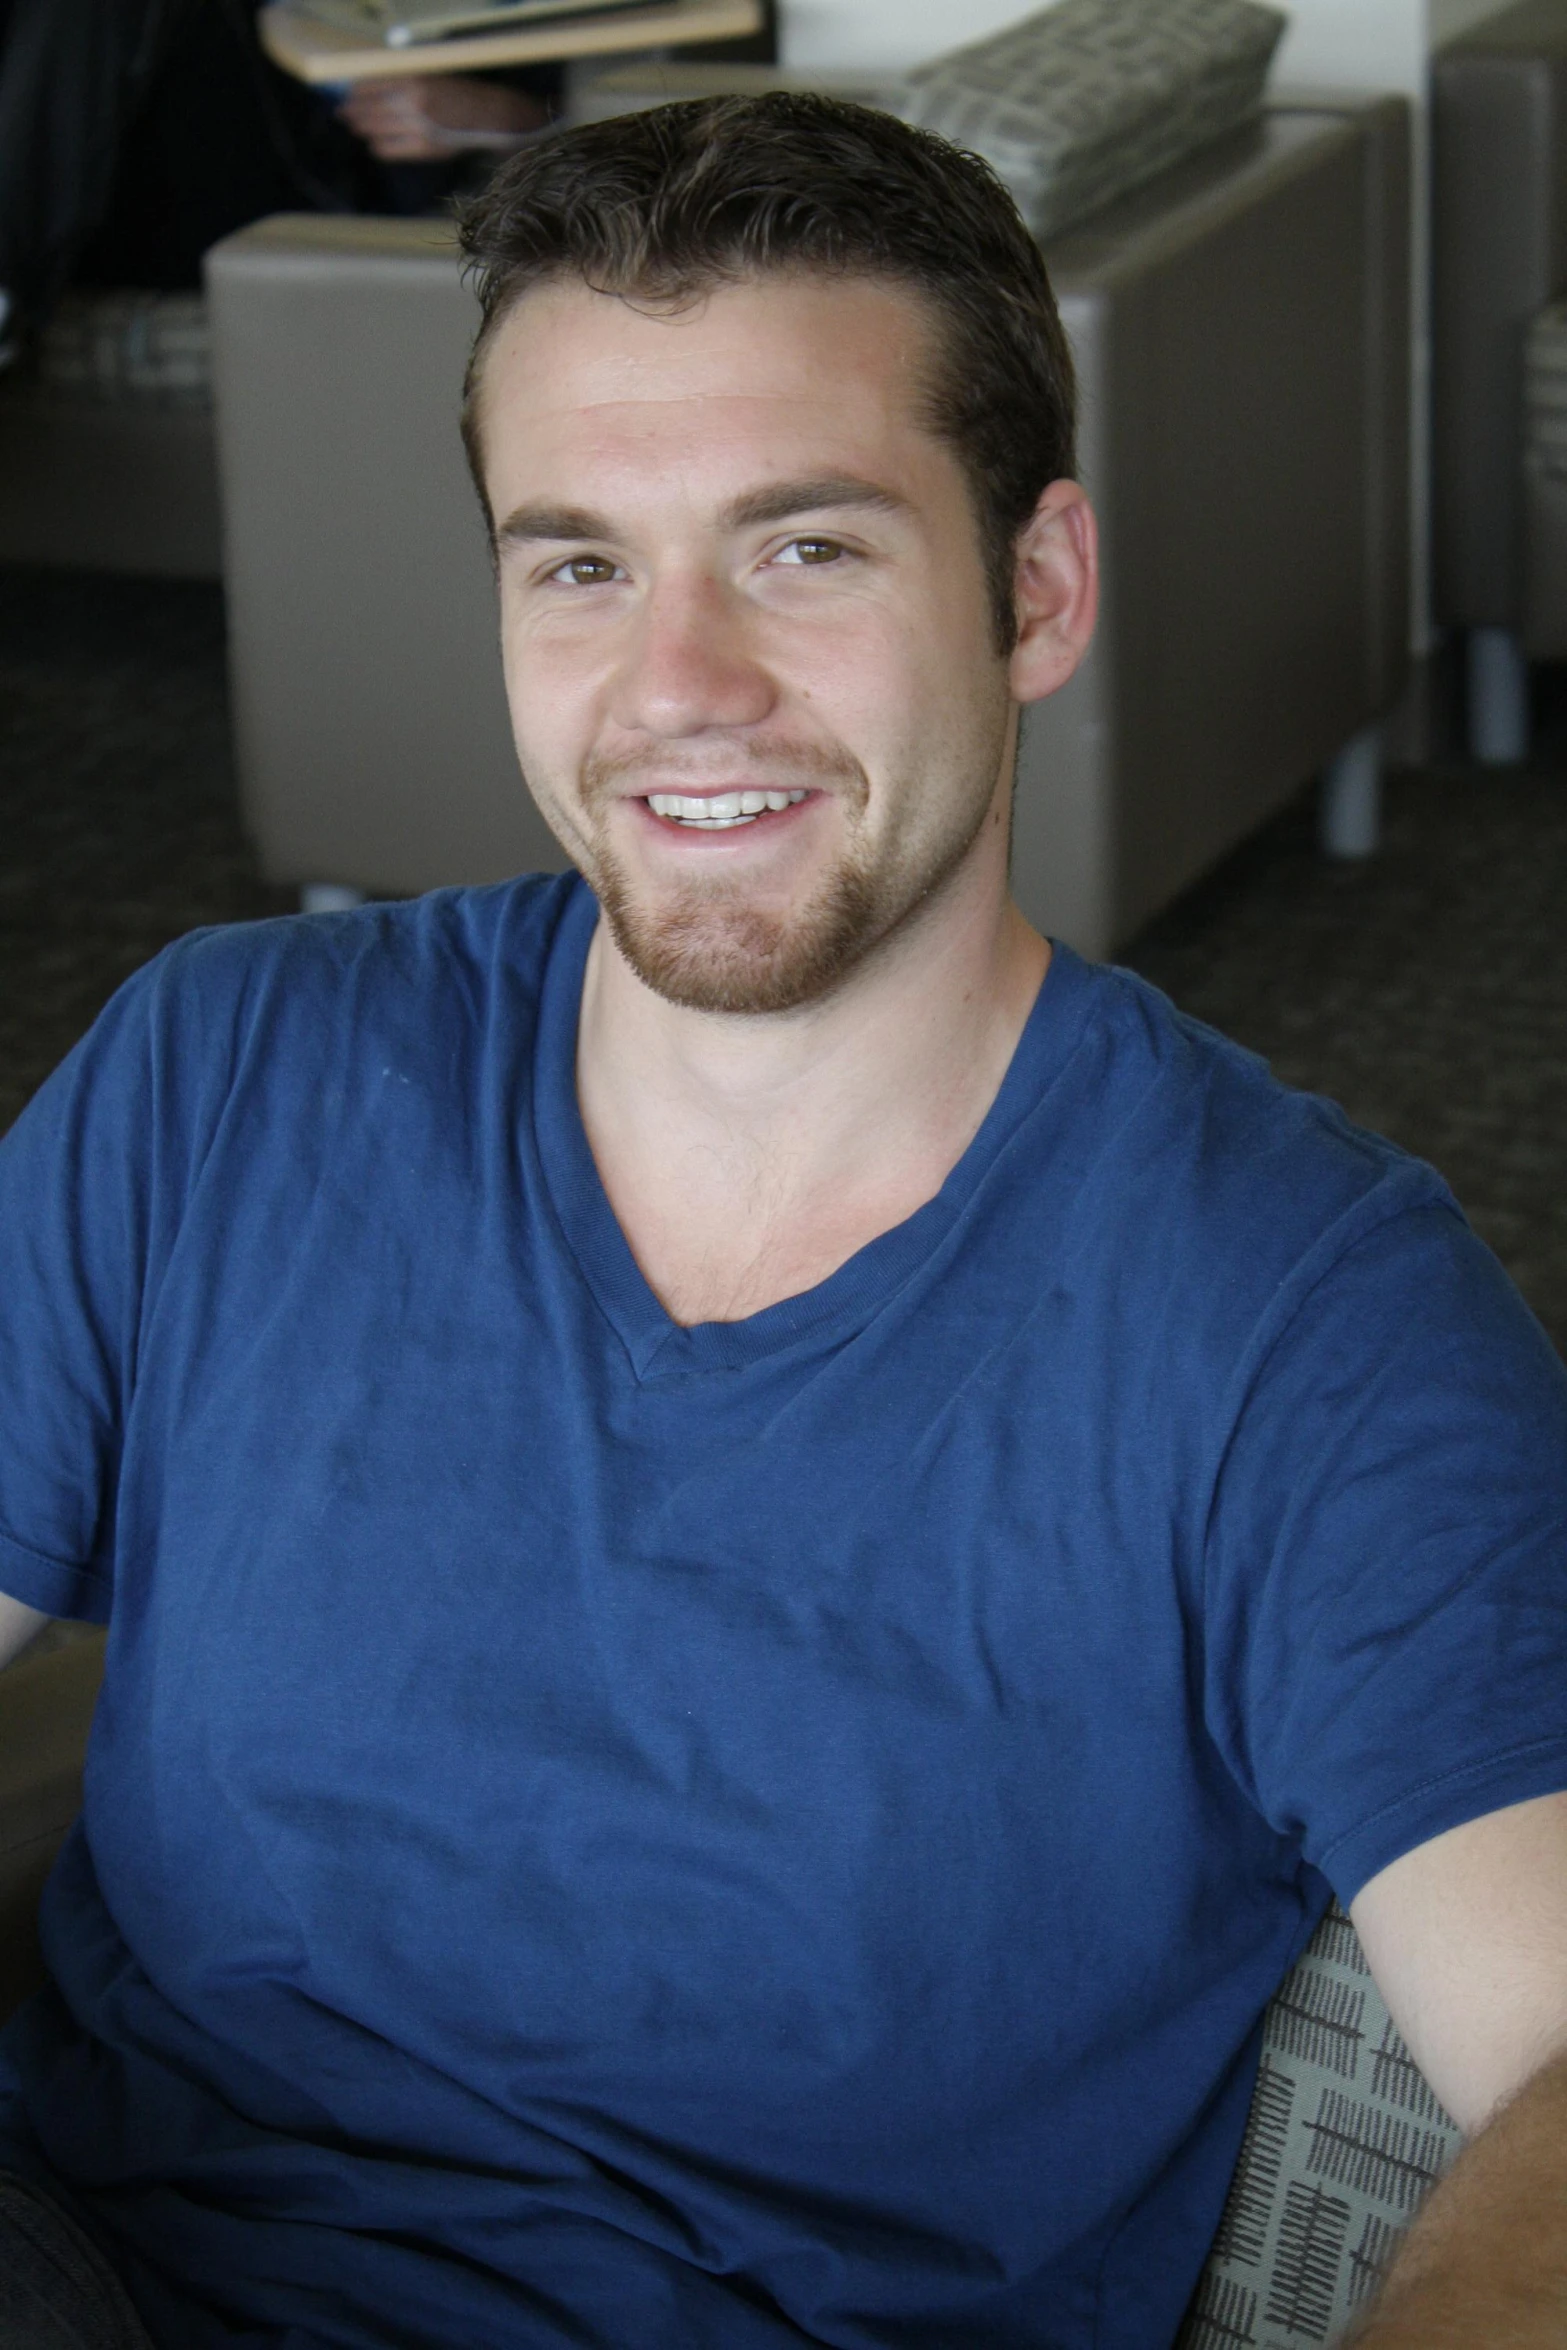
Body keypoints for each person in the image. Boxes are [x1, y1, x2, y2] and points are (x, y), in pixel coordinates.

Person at [0, 91, 1565, 2350]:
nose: (678, 685)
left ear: (1036, 588)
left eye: (805, 547)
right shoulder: (224, 1069)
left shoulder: (1308, 1320)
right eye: (581, 563)